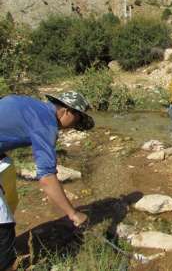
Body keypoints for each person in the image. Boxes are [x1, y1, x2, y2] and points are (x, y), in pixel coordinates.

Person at [0, 91, 94, 270]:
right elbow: (47, 179)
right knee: (3, 230)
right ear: (66, 111)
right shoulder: (46, 123)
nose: (72, 127)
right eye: (77, 121)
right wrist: (74, 214)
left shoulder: (33, 106)